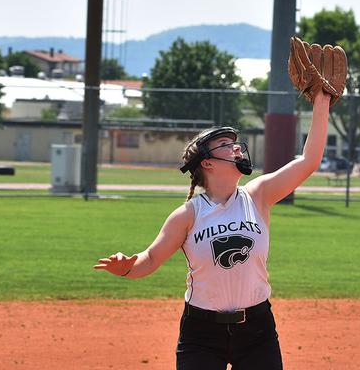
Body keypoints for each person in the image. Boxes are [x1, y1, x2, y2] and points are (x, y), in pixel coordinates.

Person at [94, 89, 332, 369]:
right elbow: (151, 258)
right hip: (201, 334)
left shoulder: (258, 195)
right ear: (207, 162)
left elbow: (309, 161)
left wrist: (321, 102)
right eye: (224, 144)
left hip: (258, 330)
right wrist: (126, 267)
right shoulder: (188, 215)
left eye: (235, 143)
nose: (236, 147)